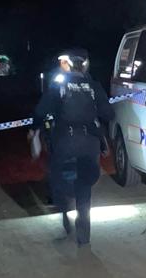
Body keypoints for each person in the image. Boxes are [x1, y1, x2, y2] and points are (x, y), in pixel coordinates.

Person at [29, 48, 114, 246]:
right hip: (89, 143)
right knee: (84, 188)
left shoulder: (59, 85)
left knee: (56, 178)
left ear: (68, 65)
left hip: (64, 141)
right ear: (85, 65)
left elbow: (41, 111)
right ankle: (84, 235)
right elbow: (109, 114)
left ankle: (65, 216)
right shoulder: (93, 86)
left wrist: (34, 129)